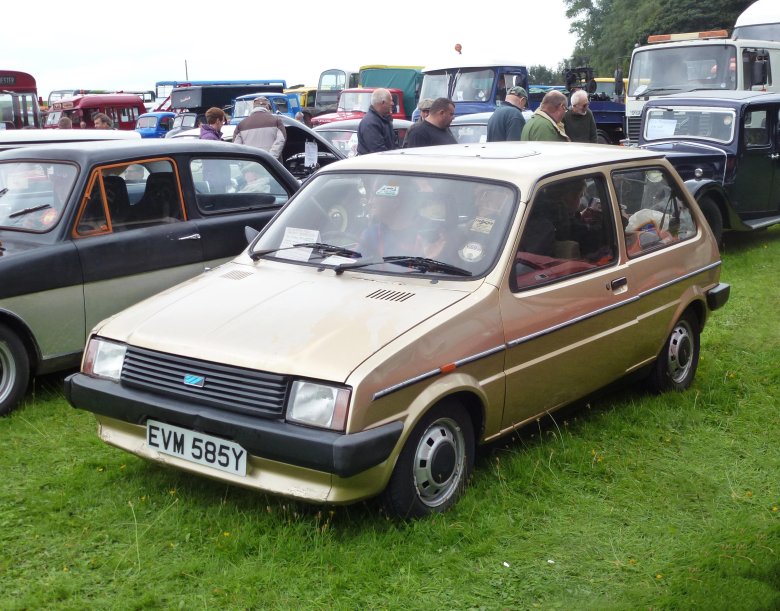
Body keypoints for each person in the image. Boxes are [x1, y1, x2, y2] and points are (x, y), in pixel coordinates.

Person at [356, 88, 396, 155]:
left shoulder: (385, 120)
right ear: (383, 103)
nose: (392, 103)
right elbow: (379, 151)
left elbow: (392, 145)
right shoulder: (370, 123)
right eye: (391, 101)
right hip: (374, 161)